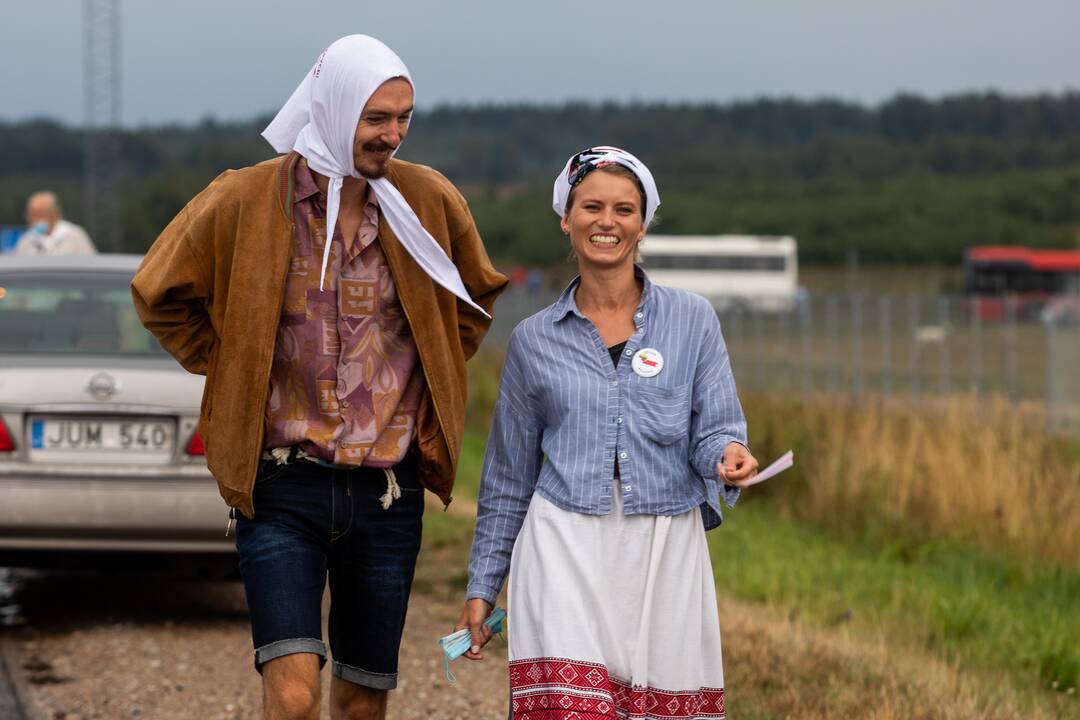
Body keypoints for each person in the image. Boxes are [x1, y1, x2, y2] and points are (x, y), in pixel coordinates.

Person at [132, 35, 507, 720]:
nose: (392, 134)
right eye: (376, 118)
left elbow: (472, 301)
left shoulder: (426, 199)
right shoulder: (245, 198)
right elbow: (159, 292)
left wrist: (427, 381)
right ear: (331, 108)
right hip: (280, 485)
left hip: (387, 495)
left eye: (404, 118)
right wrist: (235, 364)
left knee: (362, 700)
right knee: (295, 693)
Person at [457, 146, 758, 719]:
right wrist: (482, 586)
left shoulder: (692, 320)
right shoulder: (532, 341)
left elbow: (716, 428)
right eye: (591, 206)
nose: (607, 222)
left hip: (664, 548)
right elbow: (507, 478)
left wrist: (730, 454)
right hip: (563, 544)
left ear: (643, 224)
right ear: (566, 219)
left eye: (624, 209)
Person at [14, 191, 96, 255]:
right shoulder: (27, 239)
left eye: (39, 214)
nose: (33, 219)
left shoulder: (75, 235)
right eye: (31, 214)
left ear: (54, 214)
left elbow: (91, 264)